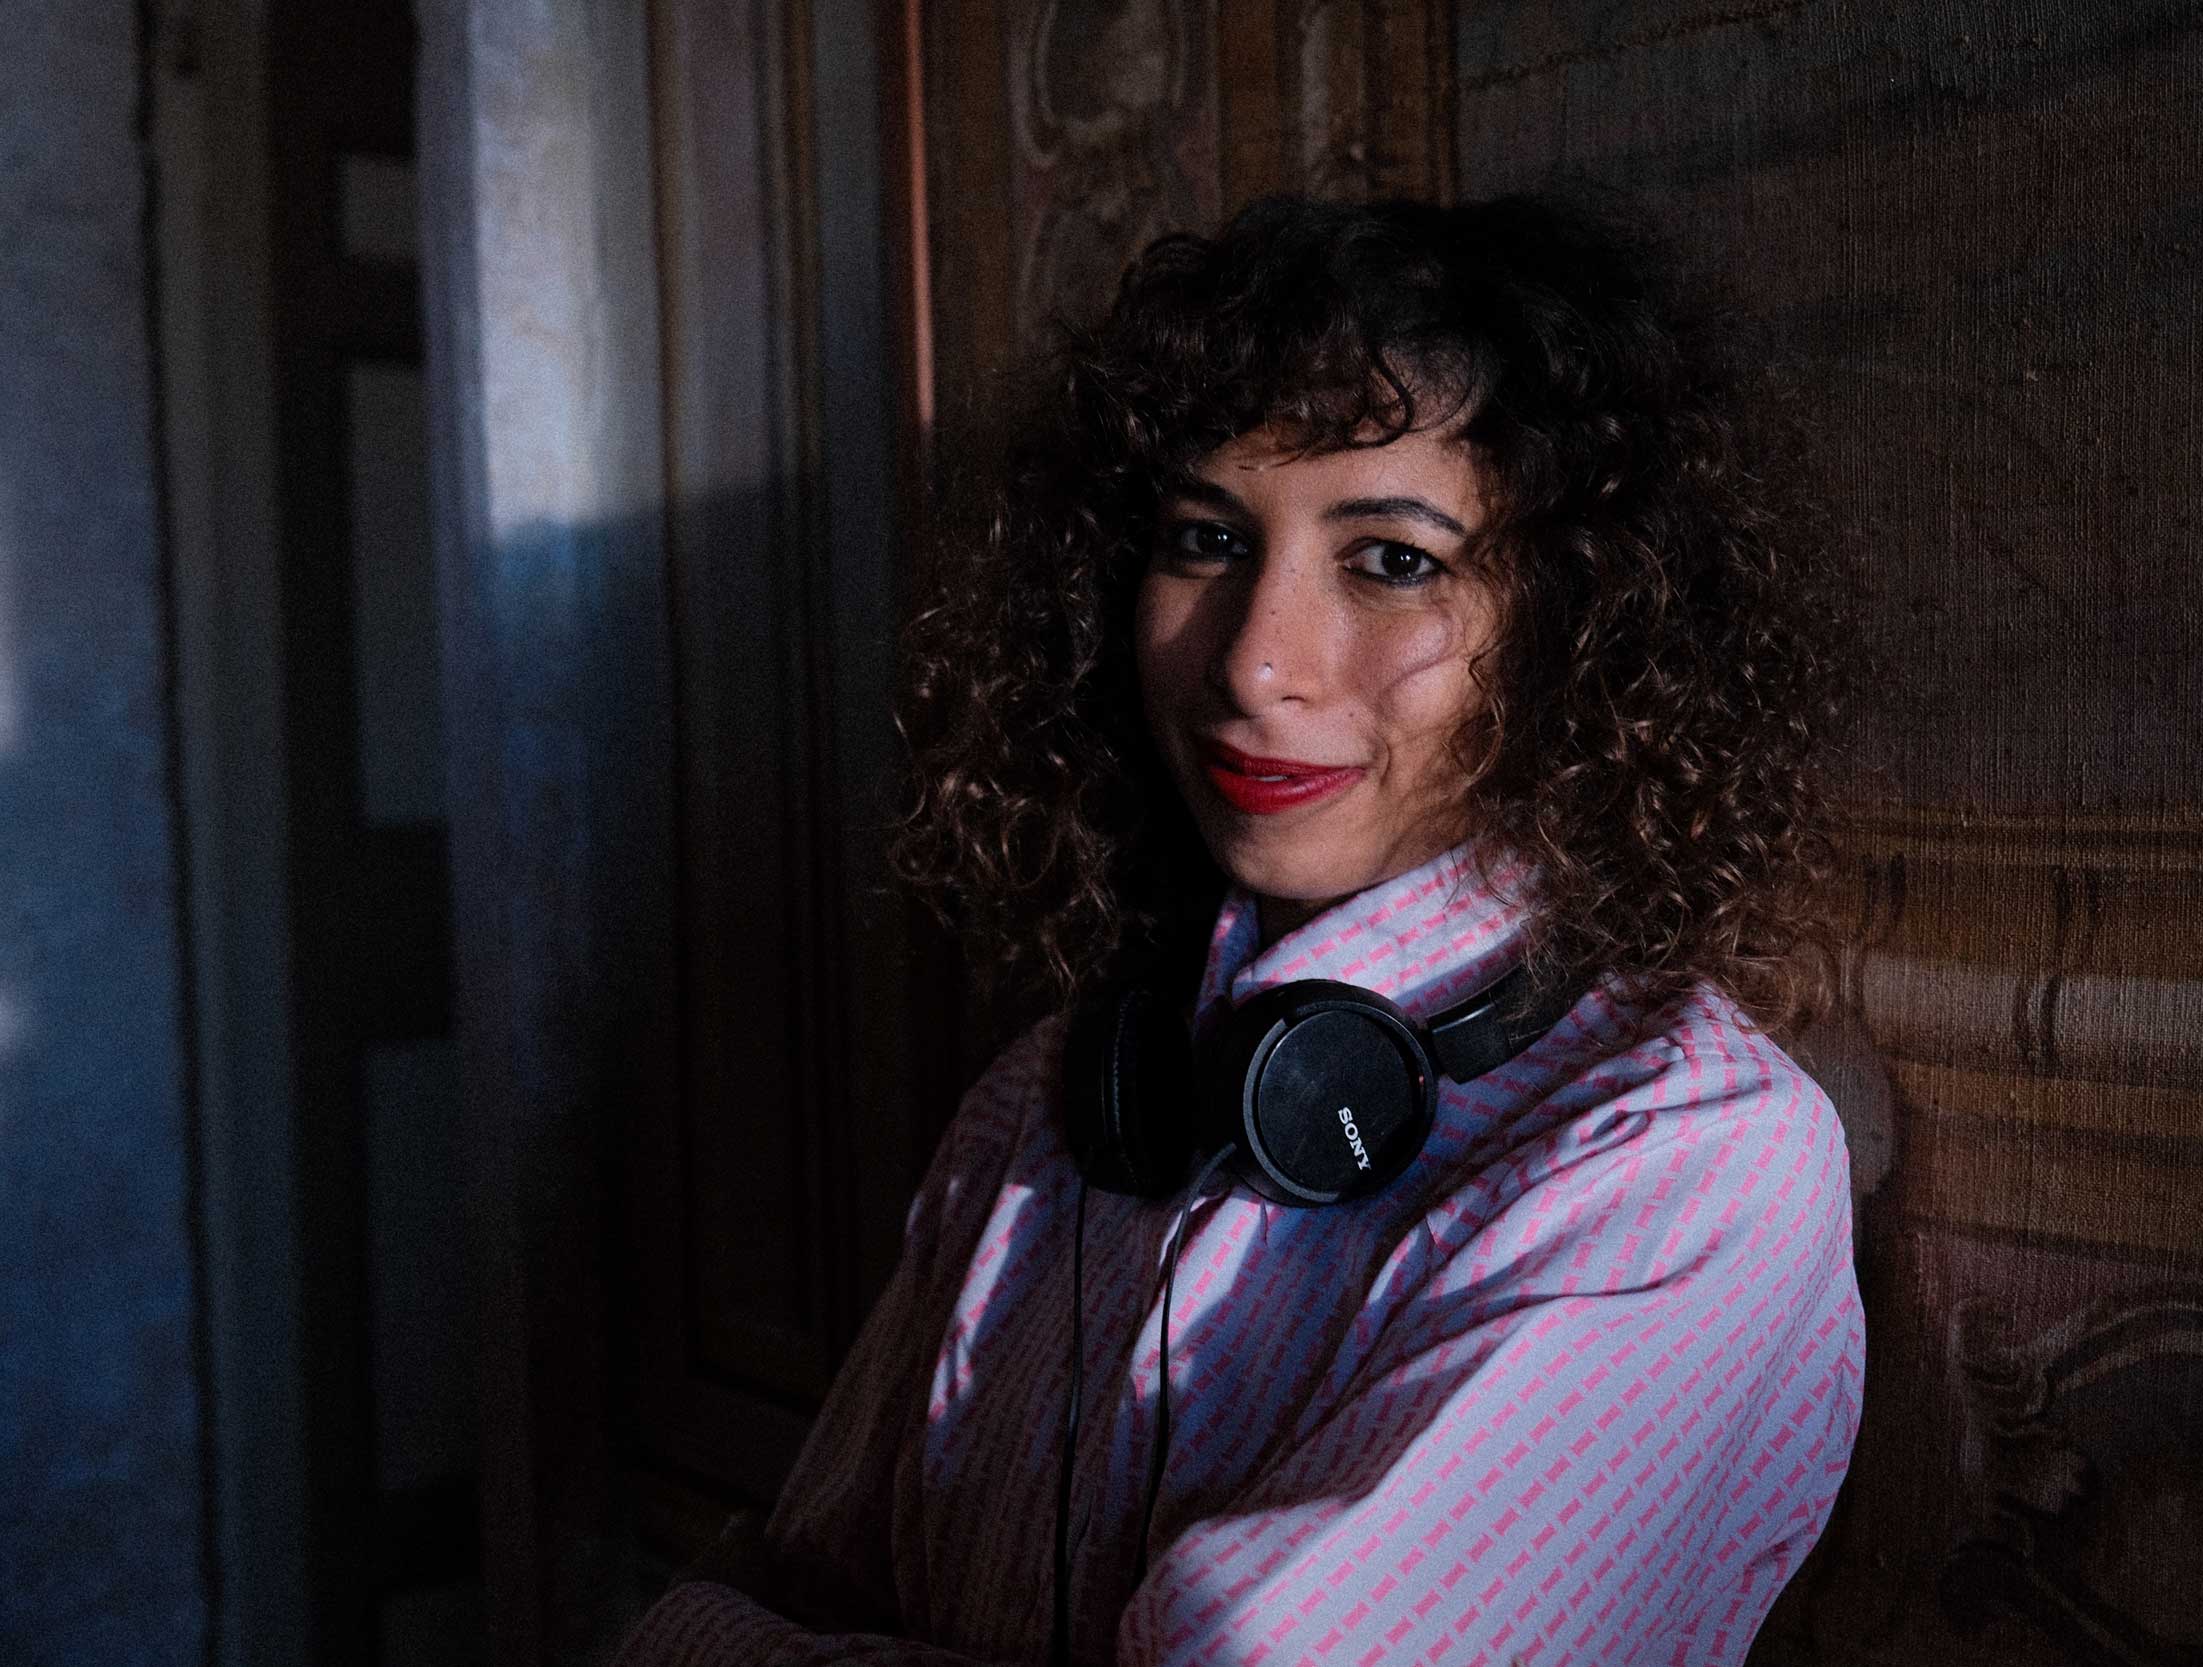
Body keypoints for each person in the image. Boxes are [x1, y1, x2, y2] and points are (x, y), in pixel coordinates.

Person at [613, 193, 1864, 1667]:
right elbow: (806, 1570)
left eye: (1392, 559)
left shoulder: (1682, 1163)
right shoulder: (1052, 1093)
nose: (1257, 663)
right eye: (1205, 538)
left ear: (1576, 623)